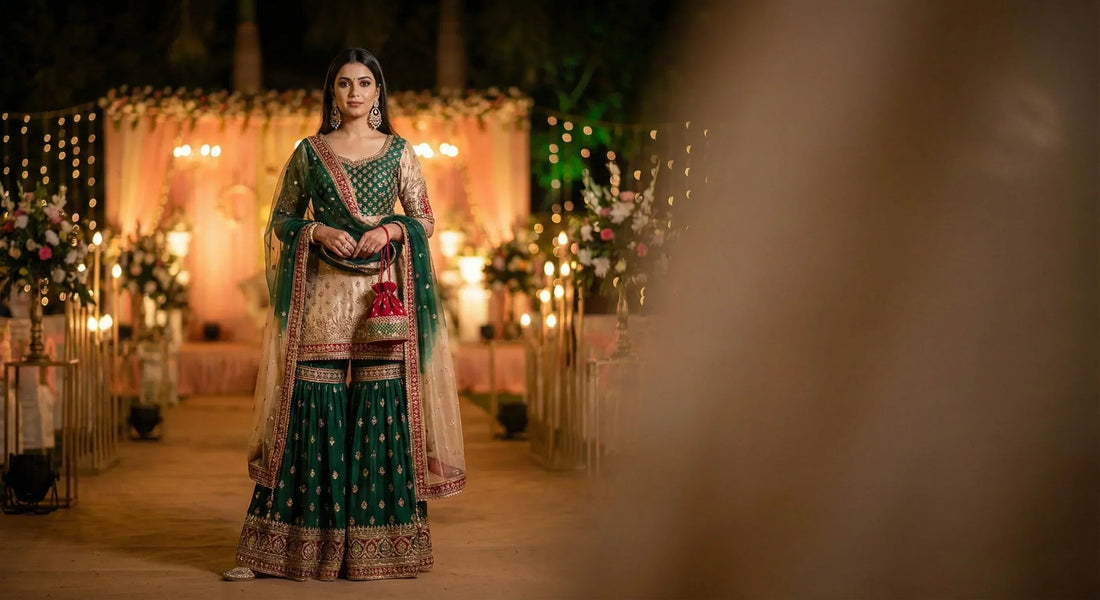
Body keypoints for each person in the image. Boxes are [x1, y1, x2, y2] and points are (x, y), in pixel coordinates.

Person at [223, 48, 466, 582]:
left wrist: (390, 229)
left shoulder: (399, 151)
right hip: (322, 294)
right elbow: (281, 219)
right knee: (312, 406)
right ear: (331, 93)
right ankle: (292, 549)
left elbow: (424, 219)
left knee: (381, 406)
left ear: (378, 92)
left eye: (364, 83)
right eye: (344, 84)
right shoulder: (310, 152)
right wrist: (316, 230)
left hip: (381, 294)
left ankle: (382, 549)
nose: (354, 93)